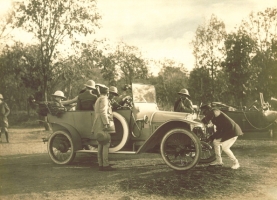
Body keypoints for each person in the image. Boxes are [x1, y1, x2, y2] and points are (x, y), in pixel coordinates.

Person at [200, 103, 243, 169]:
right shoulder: (214, 115)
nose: (204, 114)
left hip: (233, 132)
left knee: (225, 148)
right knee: (216, 142)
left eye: (204, 112)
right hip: (229, 131)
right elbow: (219, 129)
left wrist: (211, 137)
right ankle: (219, 161)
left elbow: (206, 119)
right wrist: (212, 137)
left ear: (208, 110)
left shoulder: (214, 112)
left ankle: (236, 163)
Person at [92, 84, 115, 171]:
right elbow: (103, 112)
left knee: (100, 142)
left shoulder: (98, 99)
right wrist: (106, 123)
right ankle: (105, 165)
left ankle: (100, 164)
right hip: (102, 122)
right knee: (106, 142)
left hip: (97, 122)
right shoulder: (104, 99)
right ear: (107, 93)